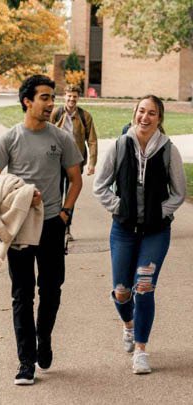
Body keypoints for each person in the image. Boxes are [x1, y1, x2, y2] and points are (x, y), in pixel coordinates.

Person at [0, 75, 83, 385]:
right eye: (44, 97)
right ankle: (26, 362)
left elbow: (76, 180)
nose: (50, 102)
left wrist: (65, 213)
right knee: (22, 295)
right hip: (22, 228)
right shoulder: (8, 139)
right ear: (27, 101)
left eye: (52, 97)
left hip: (52, 225)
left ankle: (45, 339)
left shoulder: (61, 138)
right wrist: (20, 194)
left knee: (51, 290)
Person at [92, 95, 186, 374]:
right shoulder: (120, 146)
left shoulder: (169, 150)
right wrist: (121, 207)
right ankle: (129, 326)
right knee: (122, 291)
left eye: (152, 113)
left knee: (143, 287)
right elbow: (100, 186)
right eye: (141, 111)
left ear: (160, 118)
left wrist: (161, 212)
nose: (145, 118)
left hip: (155, 233)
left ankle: (141, 351)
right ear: (134, 113)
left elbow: (179, 192)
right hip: (123, 231)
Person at [50, 84, 98, 240]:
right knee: (56, 194)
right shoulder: (56, 113)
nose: (71, 99)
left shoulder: (85, 116)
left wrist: (92, 163)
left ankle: (66, 229)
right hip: (56, 161)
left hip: (75, 162)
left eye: (75, 96)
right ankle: (55, 226)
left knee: (71, 195)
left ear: (78, 97)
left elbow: (92, 140)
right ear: (64, 96)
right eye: (69, 96)